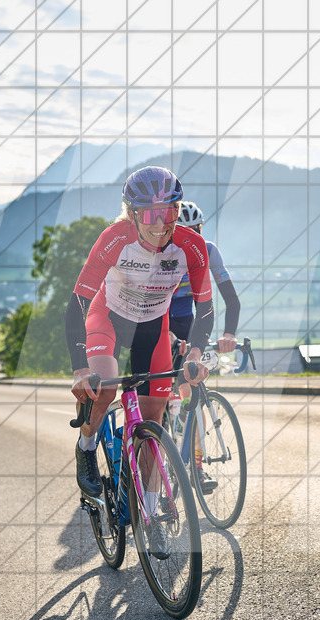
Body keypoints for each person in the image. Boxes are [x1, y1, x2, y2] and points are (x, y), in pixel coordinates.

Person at [66, 166, 212, 553]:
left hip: (152, 327)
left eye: (171, 211)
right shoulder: (115, 239)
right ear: (132, 214)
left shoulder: (191, 245)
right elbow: (78, 303)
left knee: (152, 422)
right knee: (104, 386)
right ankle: (86, 448)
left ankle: (150, 512)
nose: (162, 223)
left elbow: (205, 309)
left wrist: (195, 353)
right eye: (151, 214)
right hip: (108, 319)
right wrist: (80, 368)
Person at [167, 200, 242, 492]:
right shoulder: (164, 255)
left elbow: (231, 300)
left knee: (192, 391)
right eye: (185, 232)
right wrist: (169, 338)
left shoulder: (208, 251)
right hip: (161, 319)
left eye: (196, 231)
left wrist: (229, 334)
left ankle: (195, 467)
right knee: (162, 394)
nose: (192, 238)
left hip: (190, 321)